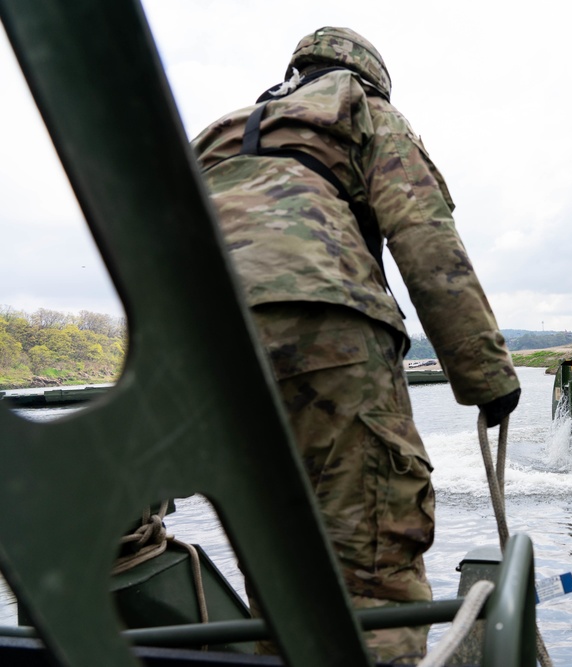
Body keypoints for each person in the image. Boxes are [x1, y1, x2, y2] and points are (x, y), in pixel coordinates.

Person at [191, 27, 520, 663]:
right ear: (368, 75)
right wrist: (487, 380)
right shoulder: (360, 109)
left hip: (204, 345)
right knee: (372, 564)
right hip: (327, 327)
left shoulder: (217, 133)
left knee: (277, 559)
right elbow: (425, 239)